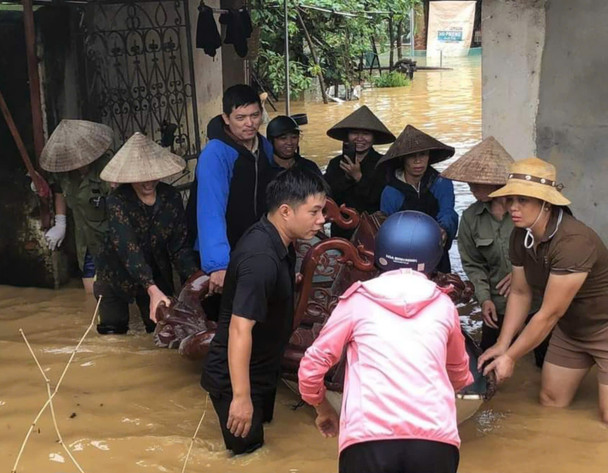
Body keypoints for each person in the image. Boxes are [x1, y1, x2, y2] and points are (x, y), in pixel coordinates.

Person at [298, 210, 473, 473]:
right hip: (435, 444)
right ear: (433, 256)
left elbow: (312, 365)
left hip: (367, 441)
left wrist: (322, 407)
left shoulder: (358, 301)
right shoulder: (443, 305)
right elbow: (459, 373)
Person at [478, 158, 608, 425]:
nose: (513, 208)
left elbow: (548, 314)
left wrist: (510, 357)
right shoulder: (520, 235)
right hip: (571, 327)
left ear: (546, 202)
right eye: (511, 200)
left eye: (524, 200)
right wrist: (502, 342)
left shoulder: (574, 241)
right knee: (551, 403)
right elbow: (520, 293)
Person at [201, 167, 329, 455]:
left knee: (269, 436)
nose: (322, 221)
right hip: (235, 376)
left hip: (264, 364)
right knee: (249, 454)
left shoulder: (279, 240)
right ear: (286, 211)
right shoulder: (260, 257)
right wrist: (241, 397)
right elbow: (239, 328)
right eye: (315, 212)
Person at [442, 137, 548, 367]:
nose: (470, 187)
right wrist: (485, 299)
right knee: (487, 363)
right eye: (469, 183)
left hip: (538, 302)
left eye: (477, 183)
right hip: (498, 304)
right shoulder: (471, 218)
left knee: (545, 361)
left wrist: (523, 272)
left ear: (496, 183)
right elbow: (473, 264)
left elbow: (551, 252)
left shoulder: (529, 211)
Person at [94, 133, 199, 335]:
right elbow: (128, 249)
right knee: (112, 331)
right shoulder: (117, 201)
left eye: (153, 175)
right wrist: (151, 288)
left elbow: (180, 246)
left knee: (161, 329)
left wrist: (194, 281)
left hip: (156, 268)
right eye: (142, 177)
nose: (149, 182)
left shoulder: (171, 197)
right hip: (115, 271)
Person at [186, 84, 276, 296]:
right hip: (223, 248)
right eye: (240, 117)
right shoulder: (215, 154)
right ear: (226, 118)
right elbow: (211, 211)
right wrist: (218, 264)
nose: (249, 123)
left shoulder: (265, 147)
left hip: (254, 245)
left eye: (255, 115)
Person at [39, 120, 114, 294]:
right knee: (91, 294)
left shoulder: (106, 169)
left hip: (108, 235)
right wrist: (60, 223)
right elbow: (59, 192)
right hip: (84, 239)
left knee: (113, 293)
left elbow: (118, 204)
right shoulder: (65, 175)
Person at [377, 125, 458, 273]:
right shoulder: (391, 192)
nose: (418, 161)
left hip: (435, 248)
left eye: (423, 154)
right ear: (403, 158)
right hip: (400, 255)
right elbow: (386, 226)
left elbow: (448, 211)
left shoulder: (441, 183)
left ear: (429, 157)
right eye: (411, 156)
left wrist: (444, 229)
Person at [323, 105, 395, 238]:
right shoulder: (335, 163)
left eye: (366, 134)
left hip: (373, 232)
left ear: (374, 137)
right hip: (341, 232)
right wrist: (346, 178)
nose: (360, 138)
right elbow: (328, 197)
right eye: (355, 133)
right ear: (347, 136)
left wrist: (359, 177)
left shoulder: (383, 164)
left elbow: (381, 200)